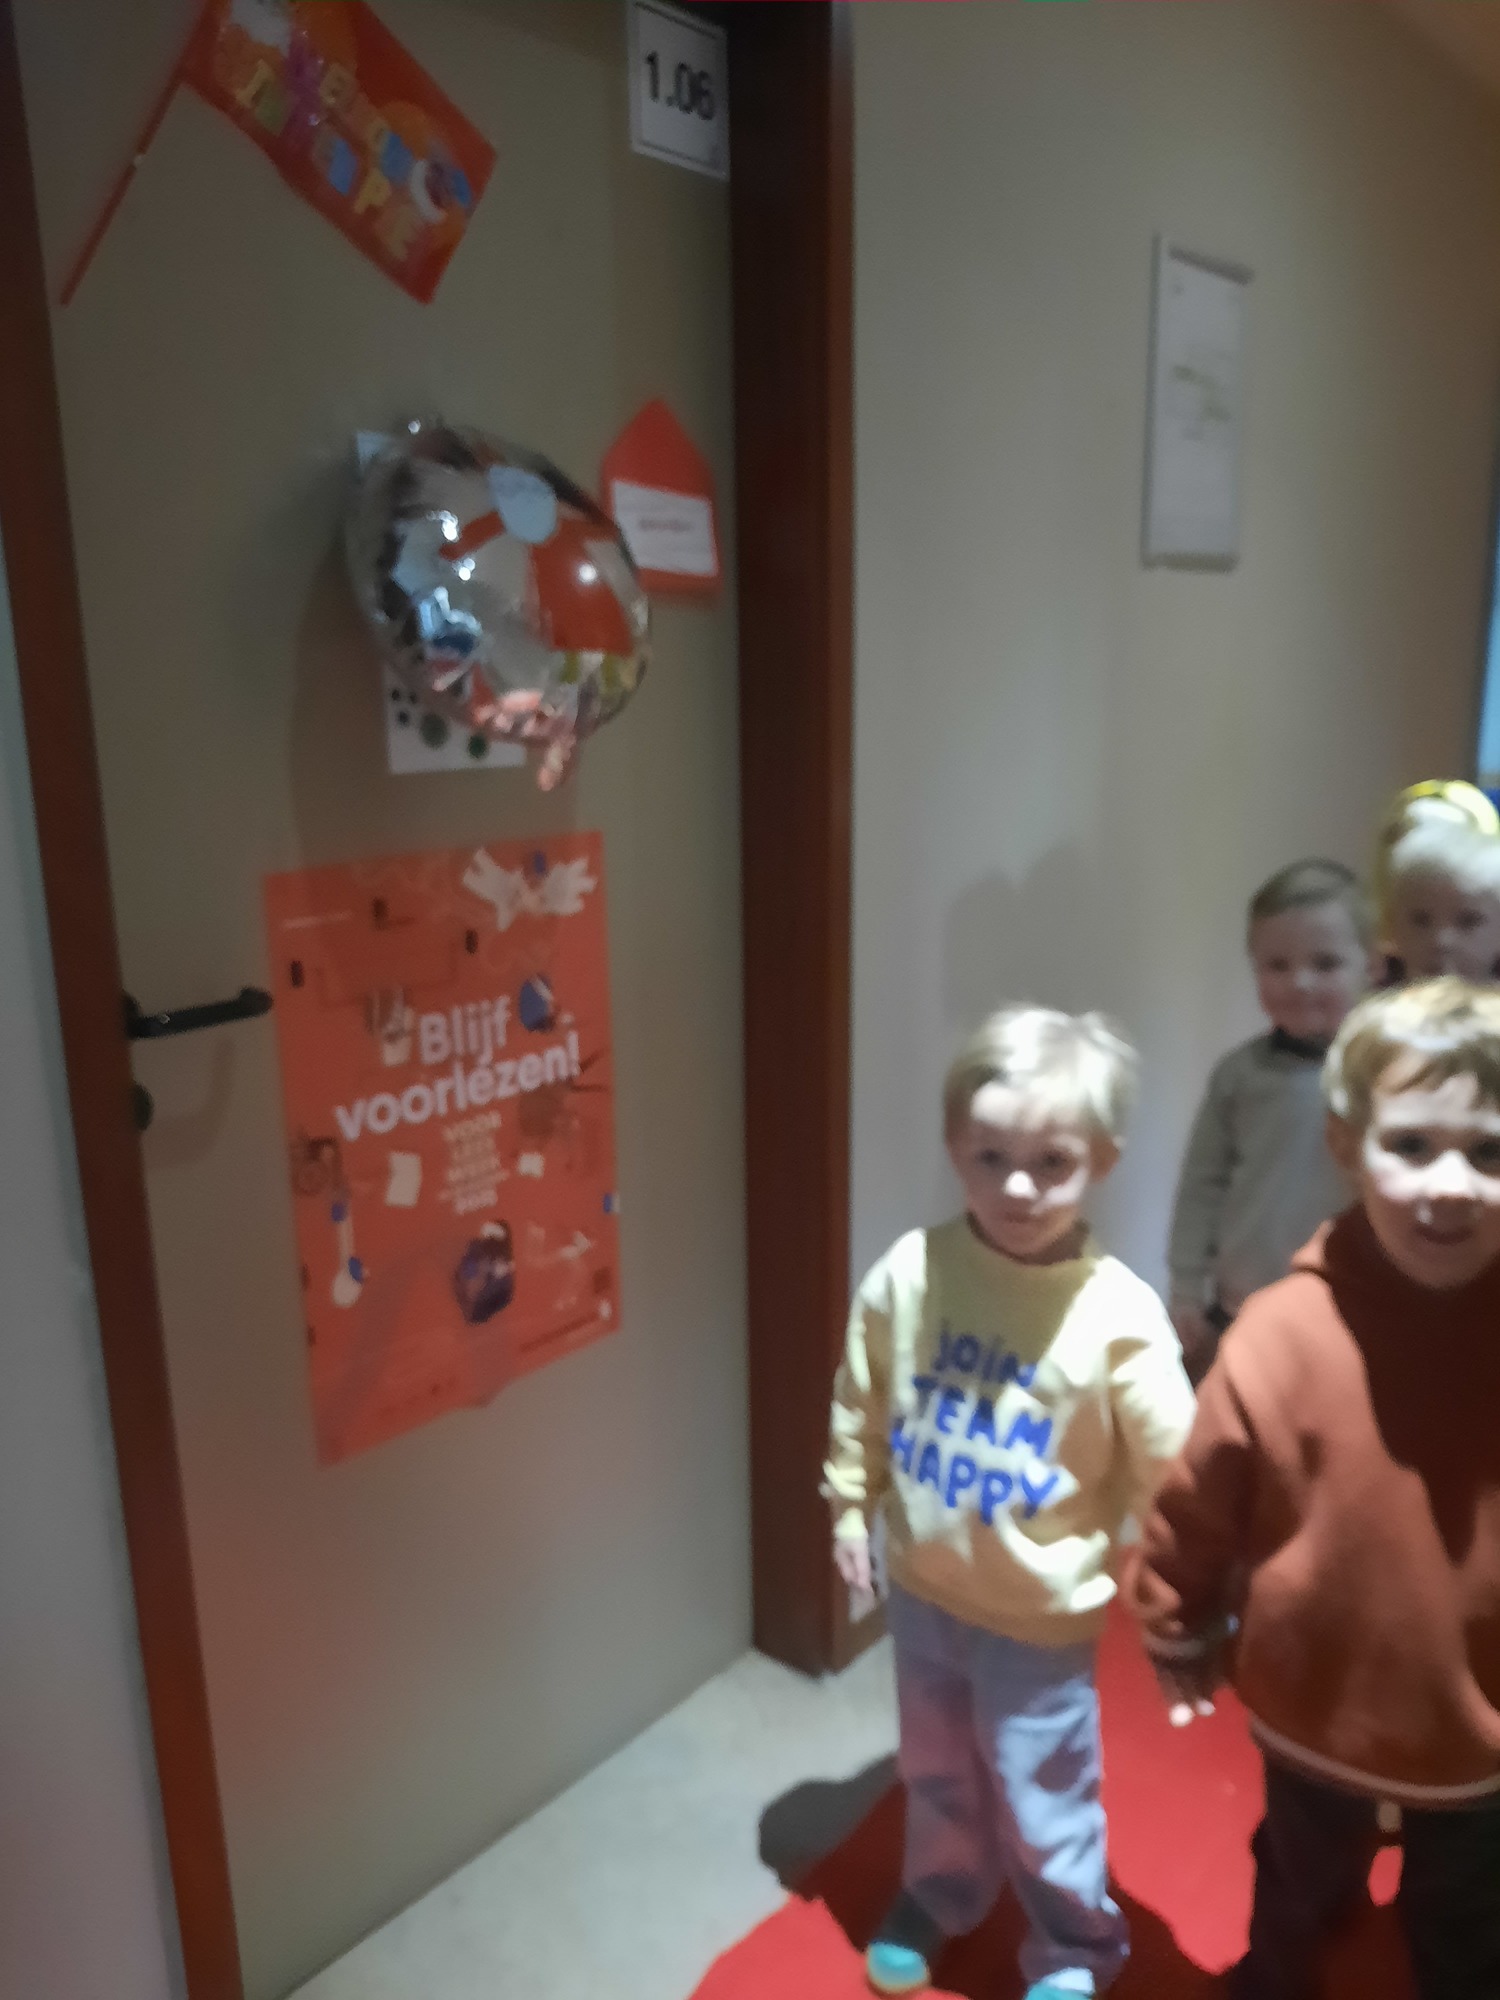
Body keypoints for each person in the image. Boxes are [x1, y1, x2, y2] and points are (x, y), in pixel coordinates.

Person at [1131, 978, 1500, 2000]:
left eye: (1488, 1152)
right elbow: (1199, 1498)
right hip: (1313, 1705)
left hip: (1478, 1721)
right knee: (1297, 1883)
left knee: (1466, 1917)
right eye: (1412, 1145)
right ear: (1346, 1147)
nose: (1451, 1184)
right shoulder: (1282, 1331)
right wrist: (1175, 1619)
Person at [825, 1006, 1195, 1999]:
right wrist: (850, 1504)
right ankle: (943, 1889)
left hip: (1038, 1615)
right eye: (991, 1158)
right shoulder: (912, 1272)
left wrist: (1185, 1586)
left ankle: (1075, 1943)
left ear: (1102, 1160)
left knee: (1043, 1788)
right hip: (925, 1588)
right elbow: (863, 1394)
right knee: (936, 1763)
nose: (1018, 1187)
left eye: (1051, 1162)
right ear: (956, 1148)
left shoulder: (1118, 1316)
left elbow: (1175, 1469)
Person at [1167, 859, 1374, 1383]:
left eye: (1325, 963)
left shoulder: (1383, 1073)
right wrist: (1186, 1285)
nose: (1299, 982)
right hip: (1243, 1304)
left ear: (1371, 966)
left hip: (1352, 1306)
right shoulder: (1239, 1076)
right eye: (1276, 965)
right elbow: (1202, 1185)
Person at [1382, 819, 1500, 984]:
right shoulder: (1371, 999)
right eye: (1421, 920)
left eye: (1468, 921)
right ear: (1391, 925)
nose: (1442, 941)